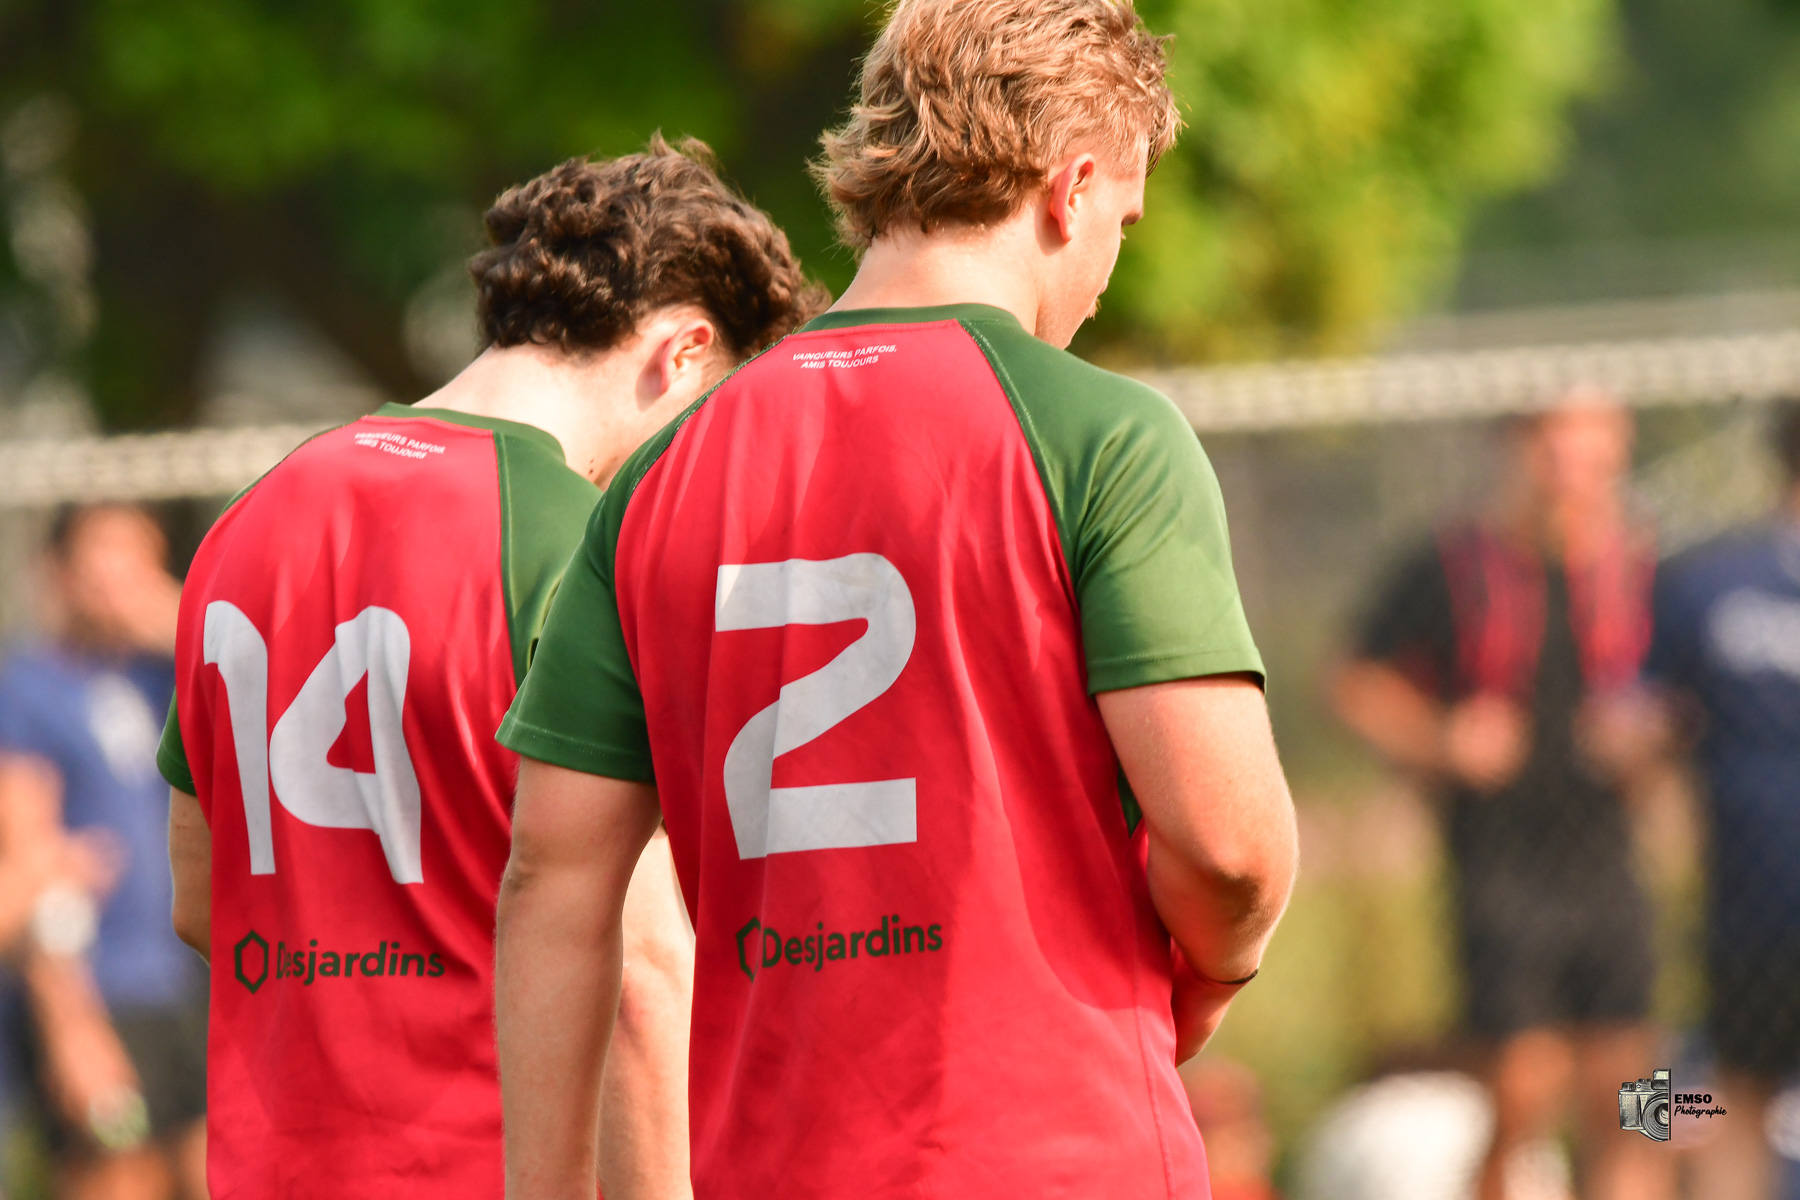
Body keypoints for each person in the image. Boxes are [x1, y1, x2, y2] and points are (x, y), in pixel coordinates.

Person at [494, 3, 1299, 1197]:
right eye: (1122, 225)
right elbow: (1230, 851)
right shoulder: (1100, 434)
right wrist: (1215, 974)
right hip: (1056, 1158)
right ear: (1069, 190)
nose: (1107, 270)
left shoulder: (658, 478)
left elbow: (553, 882)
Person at [157, 138, 826, 1199]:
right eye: (718, 417)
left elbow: (202, 898)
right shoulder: (581, 546)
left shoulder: (249, 519)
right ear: (684, 350)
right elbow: (641, 982)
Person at [1332, 394, 1672, 1200]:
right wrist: (1442, 739)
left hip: (1612, 868)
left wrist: (1652, 737)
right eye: (1553, 447)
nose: (1571, 471)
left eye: (1592, 451)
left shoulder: (1644, 569)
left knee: (1638, 1098)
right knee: (1523, 1086)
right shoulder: (1450, 565)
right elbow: (1352, 682)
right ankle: (1493, 1178)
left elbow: (1686, 694)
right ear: (1515, 450)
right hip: (1501, 868)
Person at [0, 504, 207, 1200]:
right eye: (102, 563)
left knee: (217, 1174)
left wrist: (178, 623)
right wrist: (70, 1028)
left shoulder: (169, 678)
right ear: (58, 573)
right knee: (119, 1177)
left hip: (194, 988)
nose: (119, 582)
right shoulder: (28, 690)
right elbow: (35, 861)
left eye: (138, 562)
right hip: (103, 995)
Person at [1647, 401, 1800, 1200]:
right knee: (1675, 1101)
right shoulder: (1712, 584)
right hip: (1751, 922)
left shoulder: (1706, 581)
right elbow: (1631, 729)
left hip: (1743, 915)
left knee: (1702, 1100)